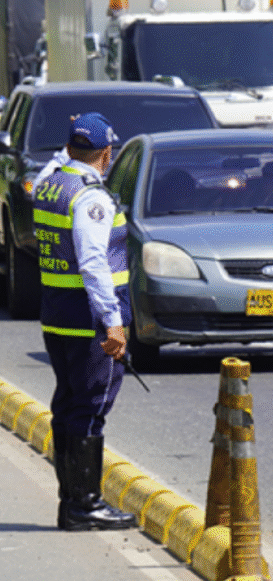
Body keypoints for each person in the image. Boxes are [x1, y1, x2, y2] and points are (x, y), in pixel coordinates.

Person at [34, 112, 137, 531]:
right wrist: (112, 321)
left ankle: (70, 502)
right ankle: (85, 504)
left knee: (67, 405)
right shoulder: (90, 197)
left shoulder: (50, 181)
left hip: (57, 317)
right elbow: (94, 263)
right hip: (88, 322)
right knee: (90, 410)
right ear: (107, 154)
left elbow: (57, 161)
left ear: (71, 149)